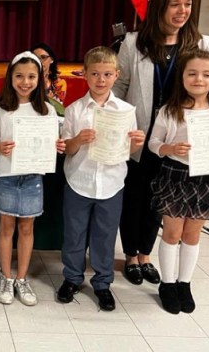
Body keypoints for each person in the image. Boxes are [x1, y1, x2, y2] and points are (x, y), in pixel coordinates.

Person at [113, 0, 209, 287]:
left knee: (162, 201)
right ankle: (131, 255)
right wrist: (115, 124)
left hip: (177, 141)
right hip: (140, 135)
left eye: (188, 4)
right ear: (160, 7)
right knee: (135, 197)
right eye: (175, 4)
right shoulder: (134, 43)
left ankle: (146, 255)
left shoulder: (200, 44)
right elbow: (120, 87)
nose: (182, 11)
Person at [148, 49, 209, 314]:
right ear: (182, 77)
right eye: (192, 73)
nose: (198, 79)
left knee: (192, 234)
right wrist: (170, 148)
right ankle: (167, 284)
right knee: (172, 233)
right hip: (175, 176)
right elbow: (153, 143)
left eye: (206, 74)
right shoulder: (170, 110)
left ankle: (184, 283)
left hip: (205, 178)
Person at [57, 47, 145, 311]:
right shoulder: (74, 110)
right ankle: (72, 278)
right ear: (84, 74)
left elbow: (127, 151)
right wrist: (77, 139)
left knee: (105, 236)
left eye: (107, 74)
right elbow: (67, 149)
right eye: (95, 73)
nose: (101, 79)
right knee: (74, 234)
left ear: (116, 75)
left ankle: (103, 283)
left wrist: (137, 143)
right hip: (79, 181)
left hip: (111, 183)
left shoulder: (126, 110)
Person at [0, 51, 66, 306]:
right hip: (7, 176)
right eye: (19, 76)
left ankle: (21, 278)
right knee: (6, 227)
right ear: (10, 78)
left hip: (33, 177)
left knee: (27, 228)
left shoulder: (47, 110)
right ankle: (6, 277)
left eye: (31, 76)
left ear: (39, 78)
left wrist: (57, 146)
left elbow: (52, 142)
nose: (25, 82)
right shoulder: (1, 109)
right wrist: (0, 147)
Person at [31, 42, 67, 115]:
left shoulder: (59, 83)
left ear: (52, 60)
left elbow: (58, 109)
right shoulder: (26, 81)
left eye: (43, 57)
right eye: (35, 58)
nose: (39, 61)